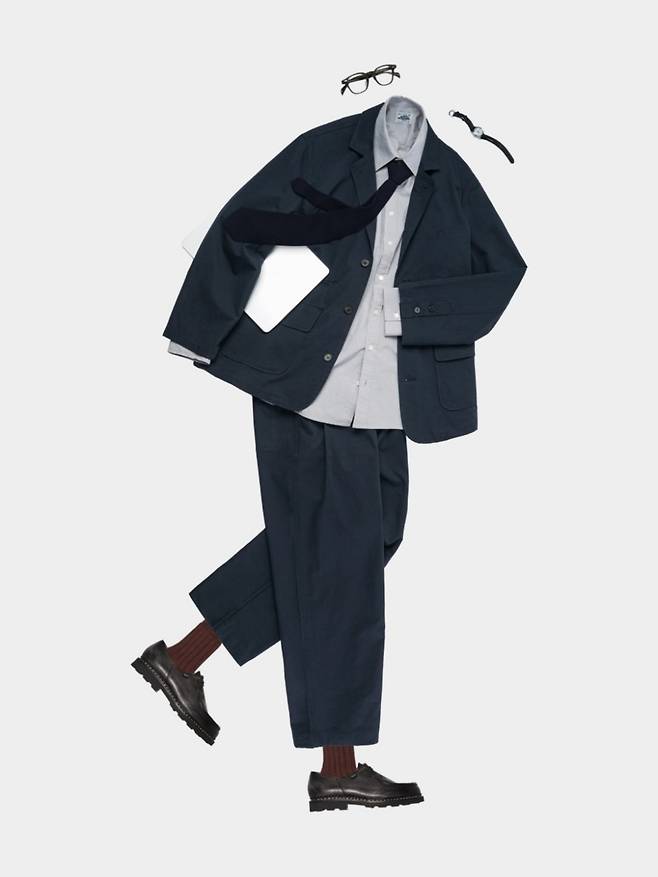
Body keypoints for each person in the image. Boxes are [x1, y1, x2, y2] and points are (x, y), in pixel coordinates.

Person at [132, 95, 527, 812]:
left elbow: (504, 270)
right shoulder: (327, 148)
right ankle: (337, 763)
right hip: (305, 379)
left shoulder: (449, 175)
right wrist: (197, 329)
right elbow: (242, 220)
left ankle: (184, 657)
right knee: (343, 562)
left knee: (370, 538)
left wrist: (412, 311)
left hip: (390, 395)